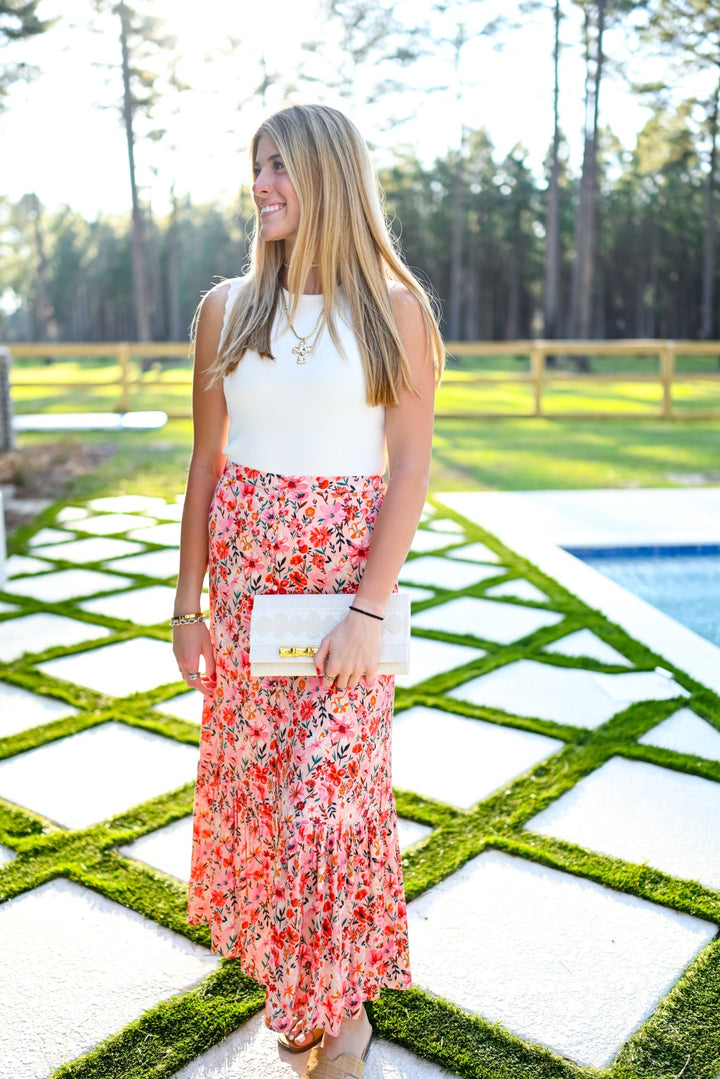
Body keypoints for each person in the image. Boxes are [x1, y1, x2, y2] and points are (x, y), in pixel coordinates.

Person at [172, 103, 444, 1079]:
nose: (262, 184)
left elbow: (408, 465)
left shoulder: (394, 310)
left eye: (280, 165)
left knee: (332, 806)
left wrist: (370, 609)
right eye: (257, 166)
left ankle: (346, 1002)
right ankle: (298, 987)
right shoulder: (226, 309)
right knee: (263, 802)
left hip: (342, 601)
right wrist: (187, 605)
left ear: (330, 174)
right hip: (245, 595)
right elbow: (207, 463)